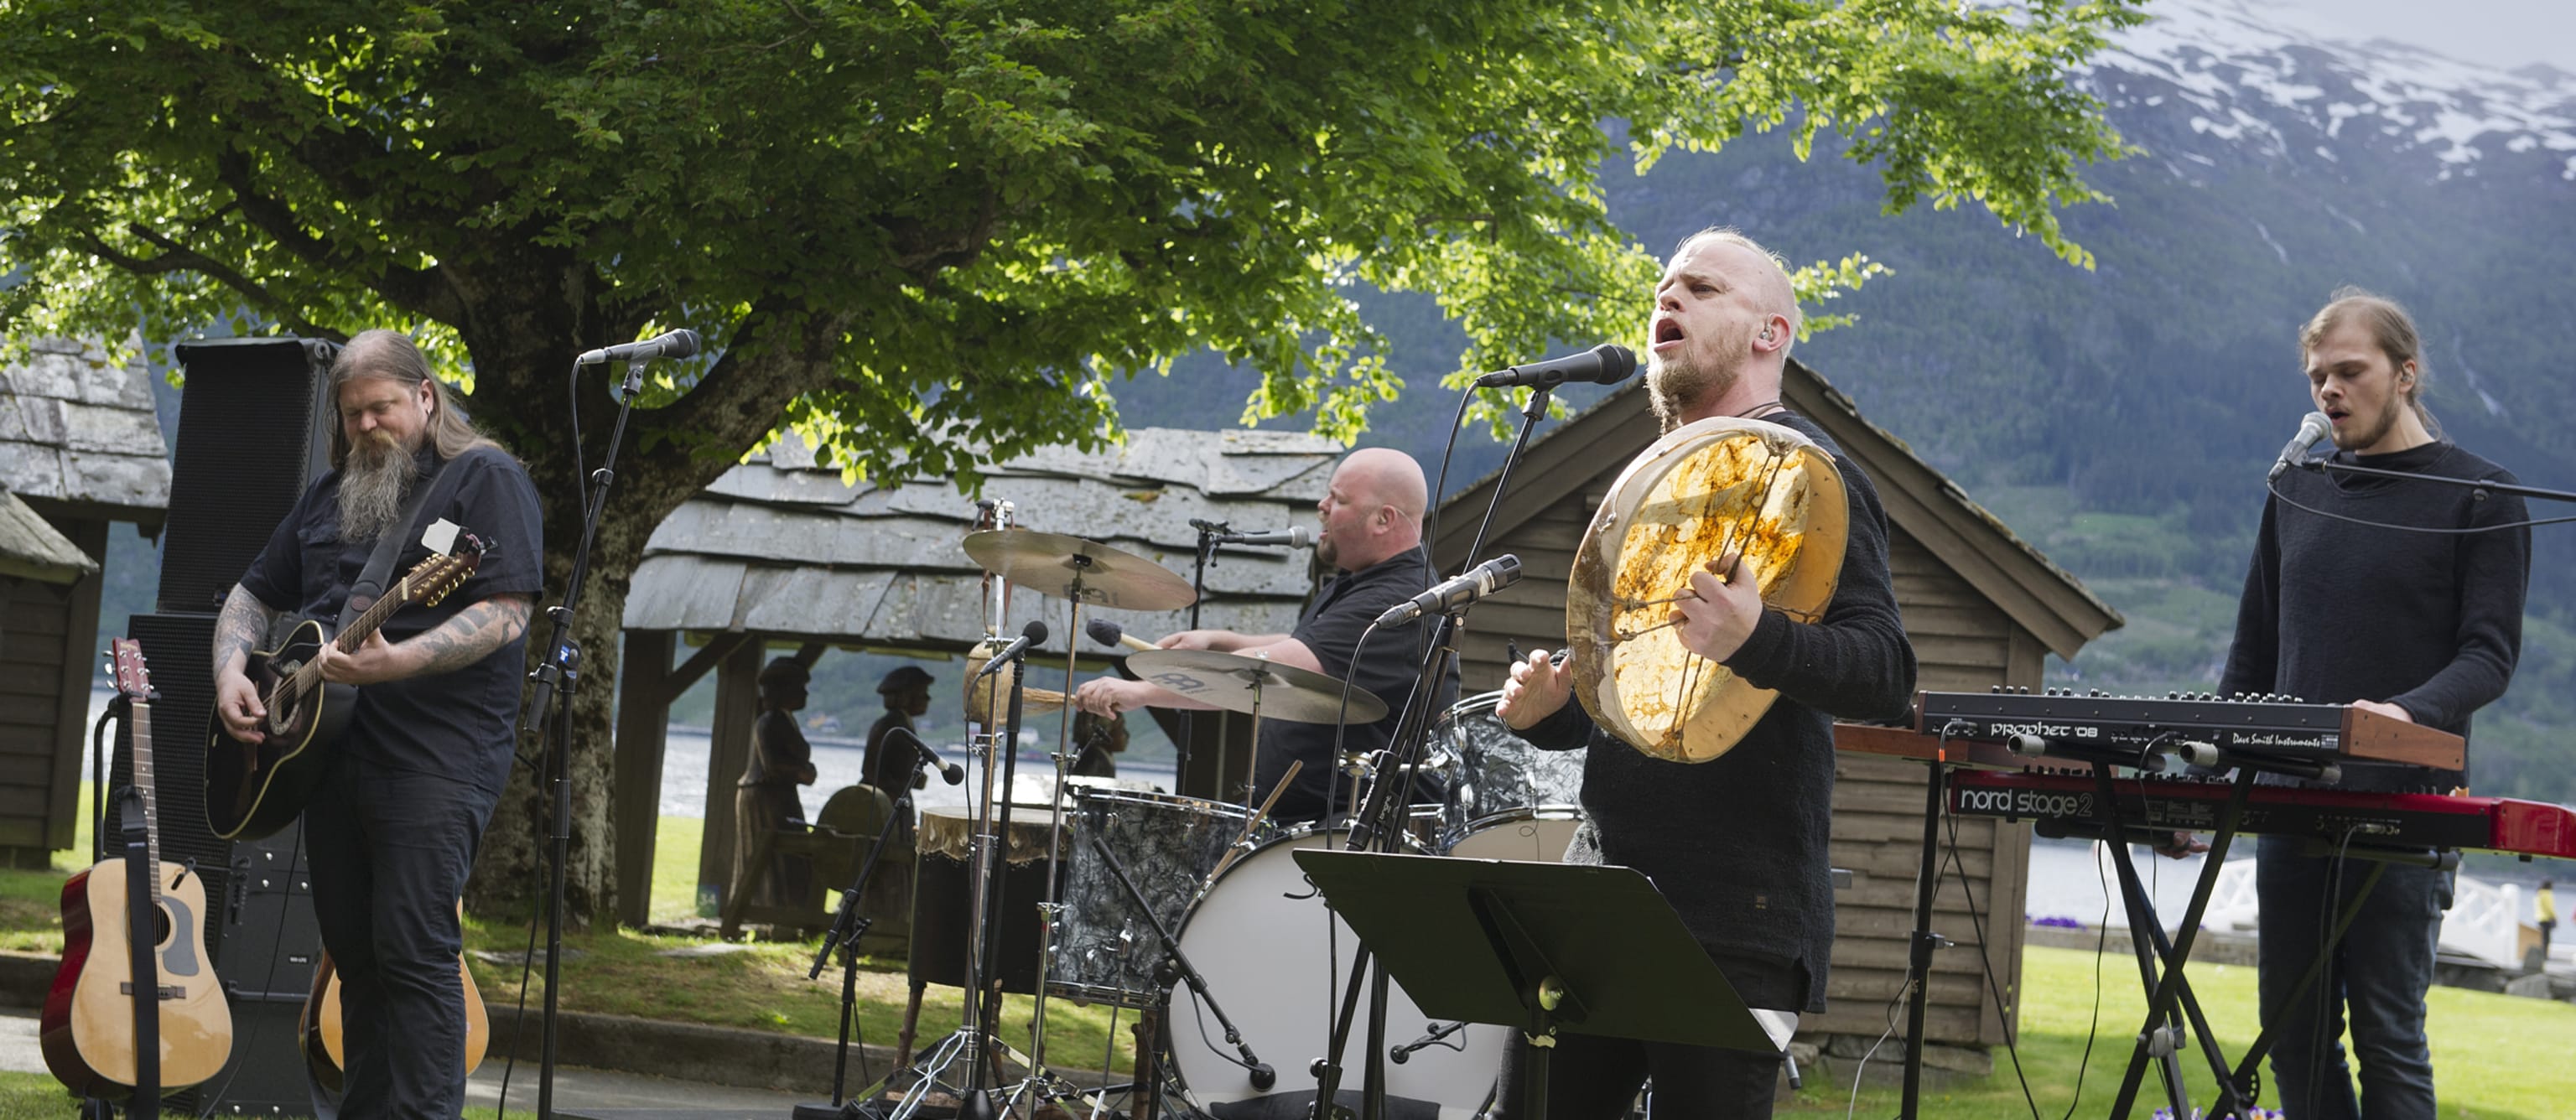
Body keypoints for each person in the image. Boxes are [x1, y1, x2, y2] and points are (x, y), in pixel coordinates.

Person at [1493, 227, 1916, 1119]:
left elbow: (1885, 671)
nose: (1668, 299)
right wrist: (1559, 711)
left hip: (1737, 914)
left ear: (1771, 333)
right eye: (1662, 288)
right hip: (1603, 895)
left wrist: (1757, 637)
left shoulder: (1813, 473)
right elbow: (1650, 698)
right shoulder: (1663, 473)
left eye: (1701, 287)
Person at [2210, 288, 2530, 1119]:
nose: (2330, 390)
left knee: (2388, 1034)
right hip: (2289, 807)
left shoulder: (2482, 497)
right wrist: (2206, 773)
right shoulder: (2295, 488)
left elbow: (2488, 656)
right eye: (2318, 376)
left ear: (2407, 374)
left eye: (2350, 371)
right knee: (2292, 1029)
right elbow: (2252, 655)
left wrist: (2407, 713)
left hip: (2407, 808)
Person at [211, 329, 542, 1119]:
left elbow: (504, 613)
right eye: (354, 413)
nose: (367, 427)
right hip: (325, 756)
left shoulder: (484, 480)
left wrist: (403, 661)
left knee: (415, 951)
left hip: (434, 757)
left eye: (383, 408)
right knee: (353, 960)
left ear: (425, 397)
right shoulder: (331, 495)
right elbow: (252, 592)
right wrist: (229, 669)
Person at [1070, 447, 1452, 824]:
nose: (1321, 505)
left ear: (1383, 520)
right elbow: (1311, 645)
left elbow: (1266, 674)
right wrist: (1221, 640)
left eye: (1338, 499)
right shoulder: (1366, 583)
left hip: (1352, 833)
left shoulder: (1394, 602)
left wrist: (1142, 692)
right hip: (1312, 824)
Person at [733, 656, 821, 910]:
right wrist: (802, 773)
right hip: (765, 798)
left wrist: (804, 771)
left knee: (791, 855)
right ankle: (768, 909)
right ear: (782, 690)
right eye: (799, 686)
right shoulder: (769, 721)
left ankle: (788, 909)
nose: (805, 693)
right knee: (770, 856)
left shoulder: (783, 720)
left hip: (780, 796)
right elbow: (772, 765)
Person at [862, 664, 936, 799]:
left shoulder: (901, 724)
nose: (927, 698)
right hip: (885, 804)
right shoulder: (891, 725)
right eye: (923, 692)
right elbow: (871, 768)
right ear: (906, 696)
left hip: (895, 801)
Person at [2539, 880, 2558, 957]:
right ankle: (2544, 955)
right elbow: (2549, 908)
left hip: (2540, 918)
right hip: (2547, 918)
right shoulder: (2547, 894)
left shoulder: (2539, 894)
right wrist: (2554, 917)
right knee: (2546, 939)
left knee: (2543, 938)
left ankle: (2543, 954)